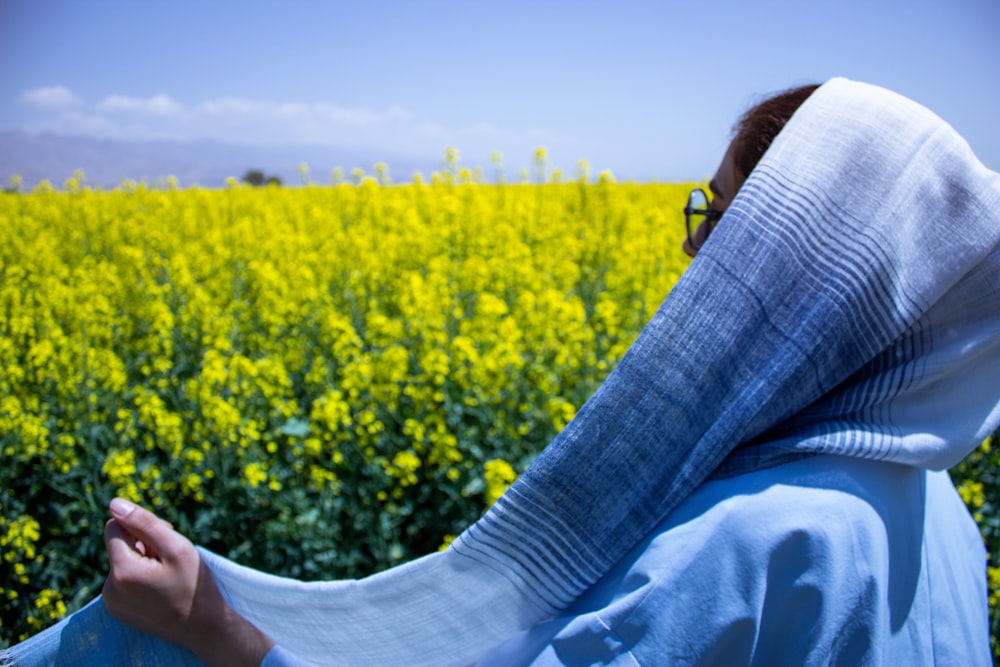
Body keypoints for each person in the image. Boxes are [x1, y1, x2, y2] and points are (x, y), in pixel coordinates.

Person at [3, 77, 998, 666]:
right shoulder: (931, 506)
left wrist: (211, 631)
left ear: (808, 273)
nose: (696, 258)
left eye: (725, 221)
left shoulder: (753, 542)